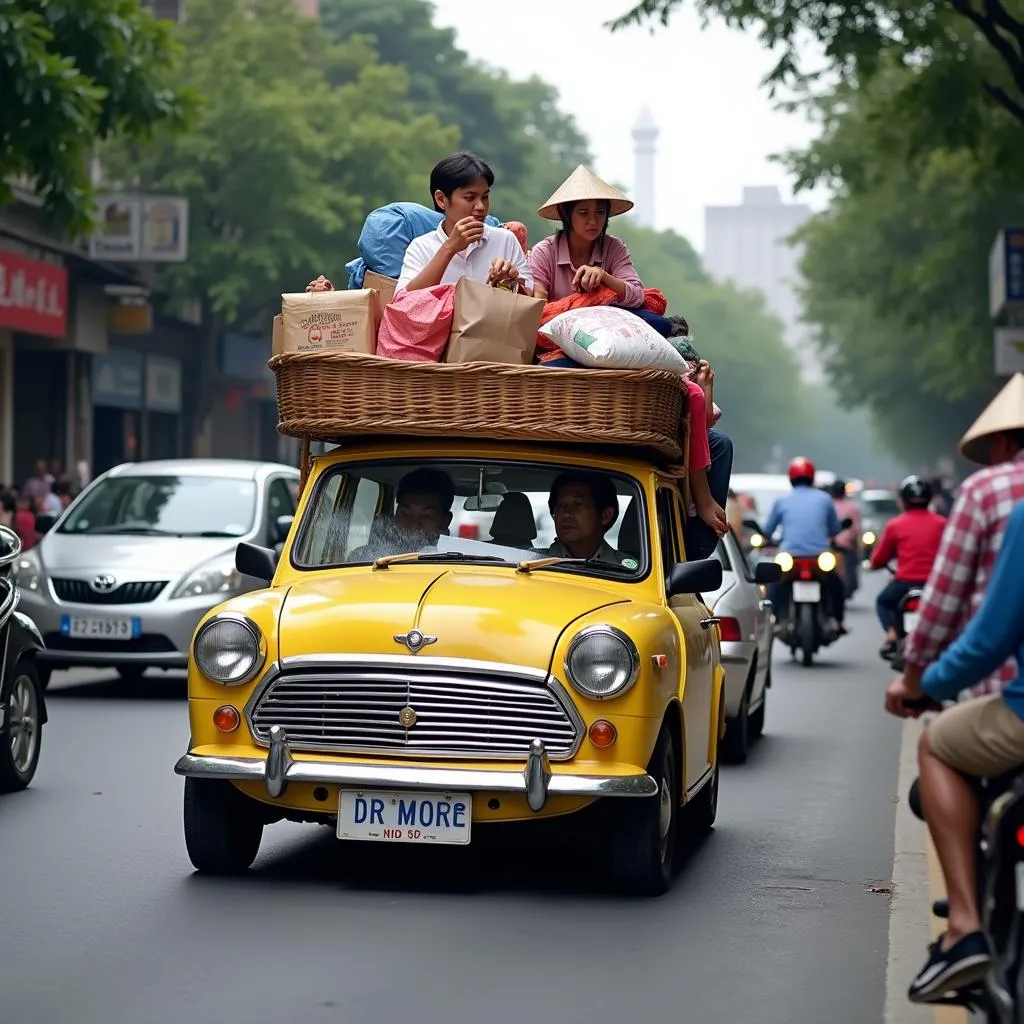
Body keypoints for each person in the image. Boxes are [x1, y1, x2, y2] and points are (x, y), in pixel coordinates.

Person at [884, 499, 1024, 1002]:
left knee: (936, 741)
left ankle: (964, 926)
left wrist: (924, 685)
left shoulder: (997, 502)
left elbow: (990, 637)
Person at [896, 372, 1024, 703]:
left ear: (1003, 443)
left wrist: (916, 677)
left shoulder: (983, 491)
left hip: (999, 684)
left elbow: (947, 599)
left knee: (933, 746)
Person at [396, 153, 530, 294]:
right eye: (469, 198)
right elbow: (404, 300)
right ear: (441, 199)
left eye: (485, 197)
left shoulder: (505, 240)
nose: (481, 207)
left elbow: (531, 298)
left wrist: (509, 281)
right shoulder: (421, 247)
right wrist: (449, 249)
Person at [529, 165, 644, 308]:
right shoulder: (544, 252)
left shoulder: (614, 248)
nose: (593, 221)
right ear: (566, 214)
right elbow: (538, 306)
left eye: (600, 213)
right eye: (583, 213)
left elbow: (638, 296)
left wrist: (603, 276)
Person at [764, 456, 846, 633]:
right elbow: (834, 528)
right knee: (837, 585)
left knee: (775, 586)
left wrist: (766, 539)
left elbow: (768, 530)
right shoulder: (825, 499)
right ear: (812, 477)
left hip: (789, 557)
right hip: (820, 557)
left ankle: (775, 620)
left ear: (791, 478)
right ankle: (838, 621)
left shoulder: (781, 501)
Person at [869, 475, 946, 658]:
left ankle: (893, 634)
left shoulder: (895, 525)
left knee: (882, 602)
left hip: (903, 583)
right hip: (934, 584)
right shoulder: (942, 524)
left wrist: (875, 565)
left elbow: (878, 559)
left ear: (903, 500)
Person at [347, 468, 455, 561]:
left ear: (446, 521)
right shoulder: (362, 557)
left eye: (426, 515)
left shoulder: (460, 563)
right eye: (405, 514)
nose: (413, 526)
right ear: (396, 515)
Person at [545, 470, 627, 564]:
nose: (566, 514)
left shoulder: (633, 573)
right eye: (560, 505)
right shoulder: (530, 566)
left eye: (578, 504)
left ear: (605, 515)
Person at [829, 479, 862, 598]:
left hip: (828, 547)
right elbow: (857, 531)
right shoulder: (852, 507)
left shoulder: (828, 505)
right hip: (845, 547)